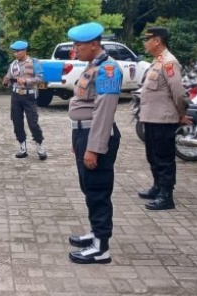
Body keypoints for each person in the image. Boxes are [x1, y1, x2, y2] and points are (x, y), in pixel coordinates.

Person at [65, 22, 122, 264]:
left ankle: (101, 248)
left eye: (79, 44)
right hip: (84, 135)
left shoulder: (108, 69)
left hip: (96, 136)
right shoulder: (93, 65)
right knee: (89, 188)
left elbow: (104, 112)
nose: (75, 48)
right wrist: (77, 140)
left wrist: (93, 148)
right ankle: (95, 233)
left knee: (98, 190)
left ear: (94, 44)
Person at [137, 27, 189, 211]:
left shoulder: (169, 62)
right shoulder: (158, 61)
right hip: (152, 118)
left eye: (147, 39)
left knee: (164, 158)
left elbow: (179, 93)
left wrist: (181, 114)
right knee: (152, 155)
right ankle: (157, 186)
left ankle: (166, 196)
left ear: (157, 41)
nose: (145, 43)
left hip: (164, 119)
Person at [2, 40, 47, 160]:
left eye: (17, 51)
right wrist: (6, 81)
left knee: (33, 122)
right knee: (17, 122)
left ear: (24, 51)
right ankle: (22, 147)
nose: (15, 53)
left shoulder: (34, 62)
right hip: (16, 96)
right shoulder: (13, 65)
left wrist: (27, 81)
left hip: (29, 96)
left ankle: (39, 145)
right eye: (14, 51)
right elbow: (9, 79)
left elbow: (40, 78)